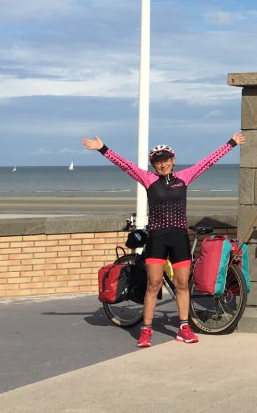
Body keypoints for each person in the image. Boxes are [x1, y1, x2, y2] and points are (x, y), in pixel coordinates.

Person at [82, 132, 246, 348]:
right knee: (153, 284)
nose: (163, 164)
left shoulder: (184, 177)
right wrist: (103, 149)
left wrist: (231, 143)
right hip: (157, 239)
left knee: (181, 285)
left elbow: (208, 162)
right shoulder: (149, 180)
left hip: (179, 237)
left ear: (173, 160)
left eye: (166, 160)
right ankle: (146, 330)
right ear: (154, 164)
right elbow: (126, 166)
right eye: (159, 161)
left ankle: (184, 328)